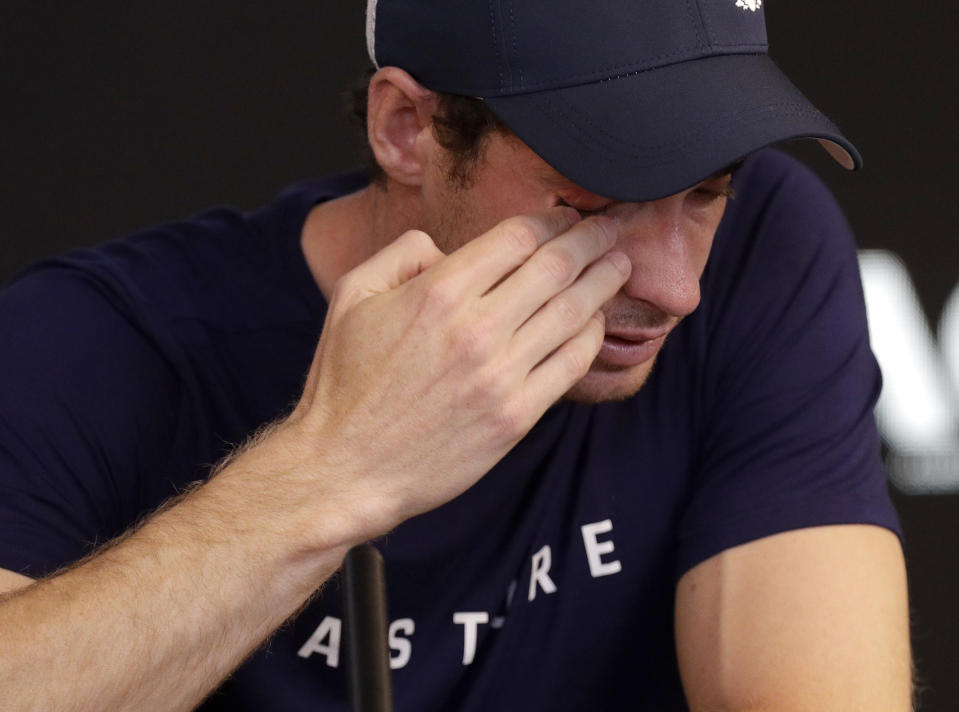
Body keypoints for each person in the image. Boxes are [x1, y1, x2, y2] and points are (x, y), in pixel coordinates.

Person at [0, 1, 912, 710]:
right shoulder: (96, 339)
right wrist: (330, 472)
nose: (676, 289)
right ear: (409, 128)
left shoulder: (767, 247)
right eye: (593, 204)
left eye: (707, 192)